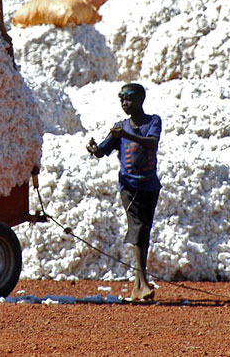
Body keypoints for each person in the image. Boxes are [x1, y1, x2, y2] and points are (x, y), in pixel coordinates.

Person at [87, 82, 162, 303]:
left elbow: (151, 143)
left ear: (141, 100)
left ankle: (138, 286)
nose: (125, 104)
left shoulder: (152, 121)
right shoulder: (119, 127)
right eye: (121, 100)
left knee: (144, 232)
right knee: (138, 227)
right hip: (129, 186)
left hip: (149, 185)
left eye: (129, 99)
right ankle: (143, 283)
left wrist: (125, 136)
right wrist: (94, 149)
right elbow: (103, 150)